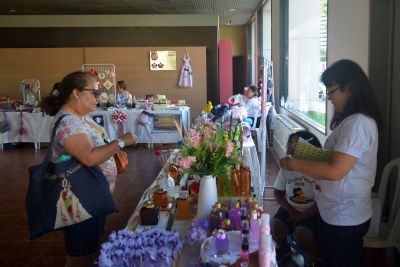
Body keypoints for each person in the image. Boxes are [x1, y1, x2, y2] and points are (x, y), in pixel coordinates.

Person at [279, 59, 383, 267]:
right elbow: (336, 160)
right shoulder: (350, 121)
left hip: (345, 217)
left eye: (332, 92)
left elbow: (336, 170)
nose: (330, 99)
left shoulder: (359, 124)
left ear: (350, 88)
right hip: (335, 212)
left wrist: (293, 163)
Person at [41, 71, 137, 267]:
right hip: (80, 201)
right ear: (76, 93)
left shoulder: (79, 117)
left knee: (89, 250)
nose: (98, 97)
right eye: (94, 92)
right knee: (80, 258)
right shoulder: (68, 121)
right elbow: (89, 157)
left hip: (90, 197)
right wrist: (122, 142)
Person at [271, 131, 321, 264]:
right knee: (274, 227)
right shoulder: (288, 167)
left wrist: (302, 216)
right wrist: (290, 210)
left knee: (302, 235)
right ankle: (284, 250)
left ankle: (317, 258)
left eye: (297, 145)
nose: (293, 149)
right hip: (290, 209)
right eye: (291, 145)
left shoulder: (319, 169)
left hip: (312, 213)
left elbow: (322, 202)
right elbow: (278, 193)